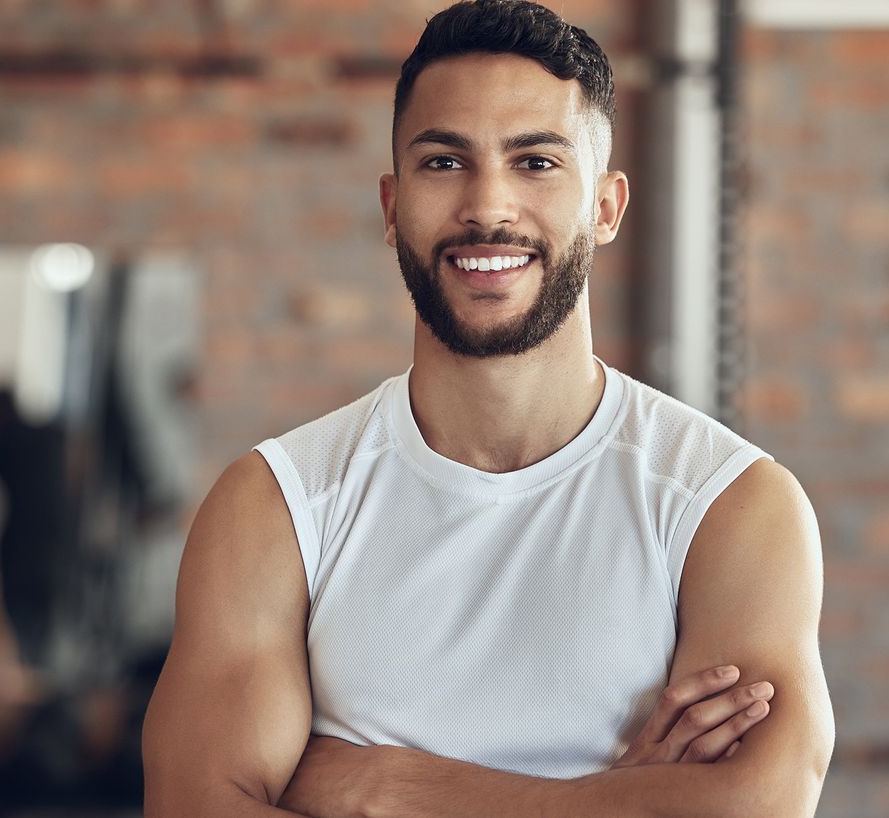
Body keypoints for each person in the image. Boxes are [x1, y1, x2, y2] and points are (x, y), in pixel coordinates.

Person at [143, 1, 833, 815]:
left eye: (536, 162)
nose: (489, 206)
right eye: (444, 163)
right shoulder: (277, 508)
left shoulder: (728, 505)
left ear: (605, 208)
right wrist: (611, 801)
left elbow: (759, 804)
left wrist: (388, 786)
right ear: (392, 204)